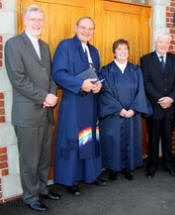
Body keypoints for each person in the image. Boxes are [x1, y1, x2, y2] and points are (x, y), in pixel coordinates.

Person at [4, 4, 60, 211]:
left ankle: (43, 189)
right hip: (27, 114)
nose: (37, 23)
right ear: (25, 20)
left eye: (40, 19)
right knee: (29, 159)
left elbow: (50, 76)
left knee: (45, 155)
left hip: (46, 112)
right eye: (33, 19)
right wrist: (44, 96)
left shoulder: (44, 46)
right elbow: (18, 79)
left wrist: (52, 94)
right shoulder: (13, 44)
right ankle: (30, 196)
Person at [52, 16, 105, 196]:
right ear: (76, 28)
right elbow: (58, 74)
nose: (86, 31)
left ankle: (90, 175)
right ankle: (71, 180)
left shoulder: (94, 50)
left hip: (90, 103)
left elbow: (95, 74)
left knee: (89, 139)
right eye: (83, 27)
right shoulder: (65, 46)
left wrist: (98, 86)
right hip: (73, 103)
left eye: (90, 28)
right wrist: (80, 84)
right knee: (73, 141)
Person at [98, 39, 152, 181]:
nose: (122, 52)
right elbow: (105, 93)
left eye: (125, 49)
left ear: (128, 51)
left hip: (131, 114)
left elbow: (141, 91)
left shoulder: (136, 70)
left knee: (130, 140)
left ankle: (128, 167)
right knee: (113, 141)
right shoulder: (106, 70)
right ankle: (114, 169)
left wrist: (134, 109)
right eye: (119, 49)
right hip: (114, 115)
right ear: (114, 52)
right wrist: (119, 109)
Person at [140, 32, 175, 178]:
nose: (163, 45)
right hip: (154, 107)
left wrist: (170, 98)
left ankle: (169, 164)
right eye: (161, 42)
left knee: (168, 138)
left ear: (169, 44)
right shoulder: (146, 60)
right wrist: (161, 98)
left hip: (170, 107)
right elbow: (146, 83)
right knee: (153, 138)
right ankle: (151, 166)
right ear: (155, 43)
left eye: (166, 42)